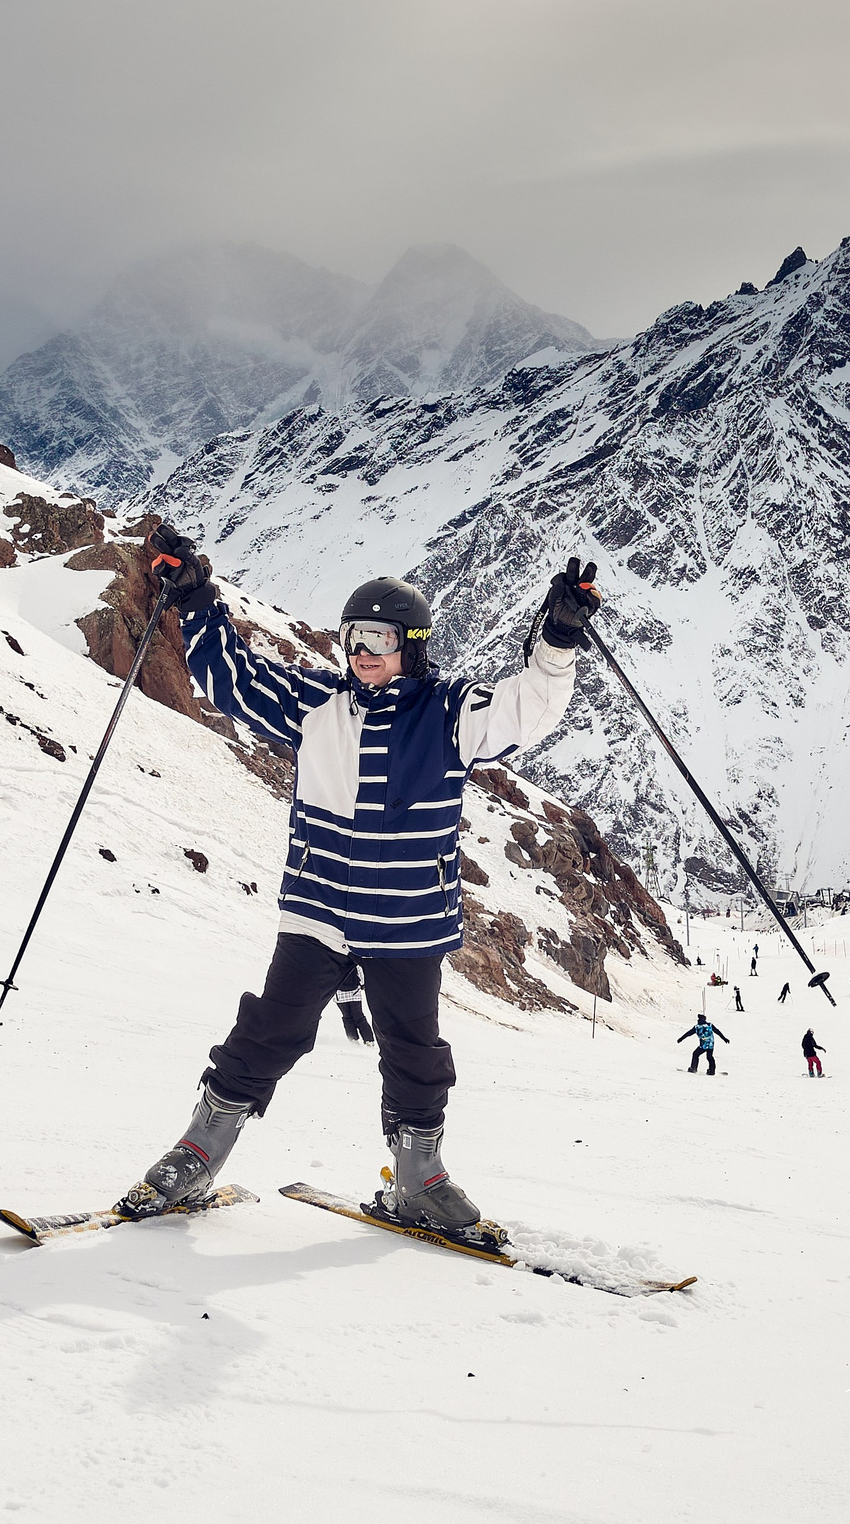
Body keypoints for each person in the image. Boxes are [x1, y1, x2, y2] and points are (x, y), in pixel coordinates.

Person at [115, 527, 600, 1238]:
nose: (362, 653)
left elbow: (529, 708)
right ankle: (197, 1151)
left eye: (377, 637)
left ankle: (419, 1180)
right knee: (269, 1030)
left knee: (415, 1051)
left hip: (407, 919)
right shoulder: (319, 706)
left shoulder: (449, 713)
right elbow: (234, 681)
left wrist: (557, 639)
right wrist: (195, 598)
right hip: (321, 912)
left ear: (413, 642)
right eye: (352, 638)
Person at [337, 967, 375, 1043]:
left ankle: (353, 1039)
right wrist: (363, 984)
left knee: (347, 1017)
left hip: (339, 993)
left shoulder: (334, 961)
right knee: (359, 1016)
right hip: (355, 992)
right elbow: (360, 972)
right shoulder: (353, 960)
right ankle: (369, 1039)